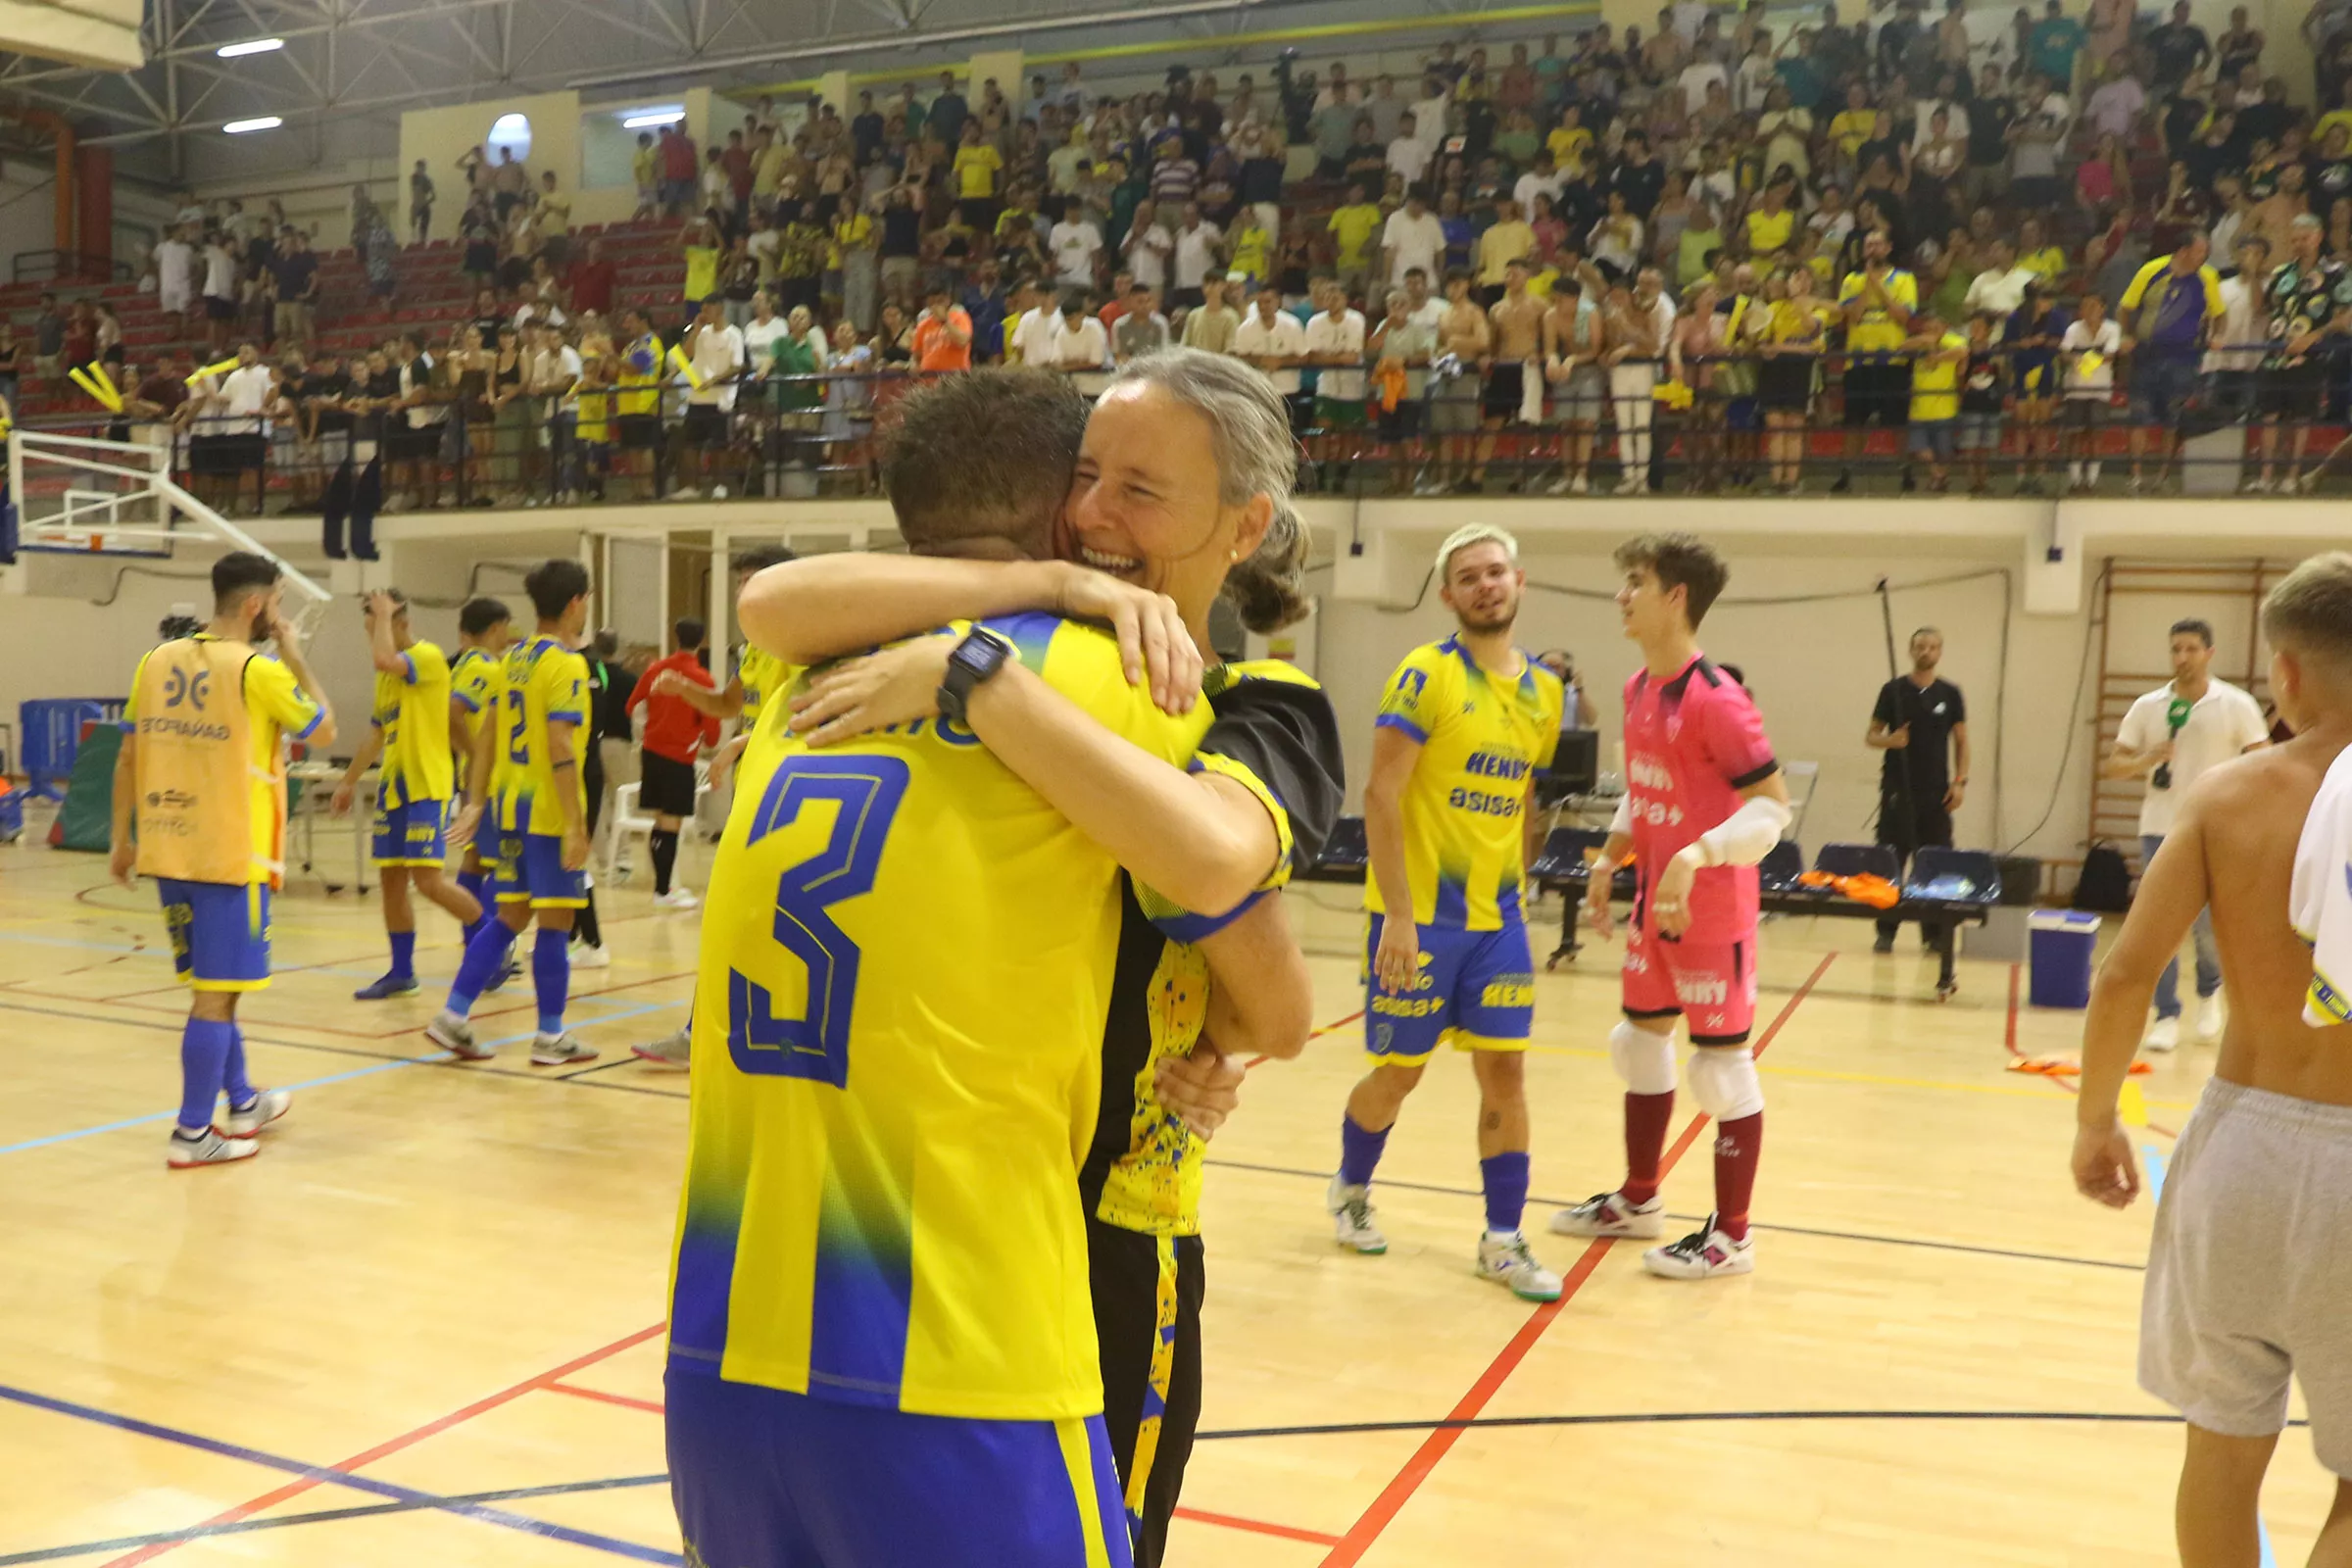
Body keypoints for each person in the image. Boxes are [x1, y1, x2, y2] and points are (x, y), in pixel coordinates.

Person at [662, 361, 1307, 1568]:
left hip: (727, 1335)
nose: (1107, 516)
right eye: (1092, 485)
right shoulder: (1135, 687)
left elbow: (771, 599)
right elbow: (1278, 987)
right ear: (1058, 515)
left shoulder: (805, 673)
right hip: (974, 1328)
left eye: (1140, 489)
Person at [2072, 553, 2352, 1568]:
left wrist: (2096, 1120)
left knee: (2222, 1457)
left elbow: (2122, 977)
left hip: (2244, 1149)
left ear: (2282, 673)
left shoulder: (2229, 794)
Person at [1328, 524, 1565, 1300]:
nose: (1486, 584)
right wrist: (1397, 914)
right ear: (1448, 596)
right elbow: (1379, 794)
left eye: (1497, 571)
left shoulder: (1545, 692)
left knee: (1506, 1073)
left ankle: (1502, 1241)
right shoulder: (1425, 674)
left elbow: (1524, 794)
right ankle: (1351, 1188)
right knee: (1399, 1074)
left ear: (1519, 581)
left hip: (1497, 922)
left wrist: (1521, 887)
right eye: (1469, 576)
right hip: (1417, 919)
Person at [1555, 532, 1792, 1279]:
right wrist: (1609, 856)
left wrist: (1697, 855)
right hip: (1653, 911)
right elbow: (1646, 786)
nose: (1622, 596)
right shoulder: (1635, 691)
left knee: (1722, 1073)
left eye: (1636, 582)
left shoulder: (1719, 700)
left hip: (1711, 913)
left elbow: (1772, 811)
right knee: (1638, 1046)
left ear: (1675, 597)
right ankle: (1640, 1199)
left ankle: (1734, 1236)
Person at [108, 553, 335, 1166]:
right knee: (215, 997)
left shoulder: (156, 661)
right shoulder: (255, 670)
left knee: (215, 985)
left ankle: (242, 1101)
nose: (281, 617)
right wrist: (295, 654)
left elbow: (127, 756)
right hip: (230, 854)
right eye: (279, 605)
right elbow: (324, 727)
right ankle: (190, 1134)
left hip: (166, 846)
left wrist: (120, 840)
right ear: (257, 606)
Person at [627, 545, 799, 1068]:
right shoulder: (752, 649)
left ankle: (711, 1032)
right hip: (753, 795)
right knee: (744, 923)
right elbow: (730, 706)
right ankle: (716, 1032)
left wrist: (742, 744)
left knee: (748, 922)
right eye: (740, 582)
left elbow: (802, 719)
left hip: (786, 798)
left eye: (754, 580)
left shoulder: (802, 643)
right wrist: (683, 690)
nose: (745, 591)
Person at [425, 560, 599, 1068]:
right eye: (586, 599)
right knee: (556, 919)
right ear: (574, 603)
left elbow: (486, 737)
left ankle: (453, 1015)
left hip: (509, 810)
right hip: (546, 812)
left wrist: (477, 801)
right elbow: (560, 741)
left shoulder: (513, 660)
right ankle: (550, 1035)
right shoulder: (567, 664)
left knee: (511, 915)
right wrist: (574, 823)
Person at [2099, 618, 2272, 1052]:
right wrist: (2147, 758)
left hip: (2220, 830)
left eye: (2191, 649)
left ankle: (2209, 989)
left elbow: (2263, 763)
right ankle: (2167, 1014)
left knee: (2210, 928)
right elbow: (2113, 765)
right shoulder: (2149, 706)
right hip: (2160, 828)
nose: (2181, 657)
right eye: (2175, 649)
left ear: (2209, 653)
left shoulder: (2236, 704)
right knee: (2160, 928)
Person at [332, 591, 483, 999]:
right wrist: (348, 781)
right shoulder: (387, 677)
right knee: (392, 882)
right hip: (394, 788)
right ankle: (402, 972)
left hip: (426, 786)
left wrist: (382, 614)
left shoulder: (428, 658)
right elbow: (376, 733)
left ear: (399, 622)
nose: (372, 638)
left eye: (377, 627)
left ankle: (492, 945)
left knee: (430, 882)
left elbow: (385, 657)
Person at [1866, 626, 1969, 956]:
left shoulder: (1950, 694)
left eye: (1932, 647)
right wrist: (1890, 741)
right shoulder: (1893, 690)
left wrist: (1960, 782)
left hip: (1936, 793)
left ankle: (1934, 935)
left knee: (1934, 864)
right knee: (1891, 863)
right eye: (1919, 646)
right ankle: (1885, 932)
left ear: (1940, 652)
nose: (1925, 651)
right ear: (1911, 651)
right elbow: (1871, 735)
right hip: (1898, 791)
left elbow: (1962, 741)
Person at [627, 617, 722, 909]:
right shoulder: (703, 679)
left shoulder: (656, 669)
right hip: (679, 755)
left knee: (659, 820)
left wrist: (651, 726)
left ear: (675, 636)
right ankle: (663, 890)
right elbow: (713, 730)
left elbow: (632, 705)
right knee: (671, 823)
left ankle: (663, 886)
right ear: (702, 640)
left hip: (652, 752)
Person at [2118, 234, 2224, 494]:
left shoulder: (2208, 276)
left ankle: (2163, 476)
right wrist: (2125, 335)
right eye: (2200, 252)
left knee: (2173, 420)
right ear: (2184, 250)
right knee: (2139, 417)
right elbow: (2125, 308)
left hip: (2184, 358)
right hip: (2147, 356)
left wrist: (2217, 335)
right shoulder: (2151, 270)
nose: (2203, 258)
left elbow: (2219, 313)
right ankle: (2136, 475)